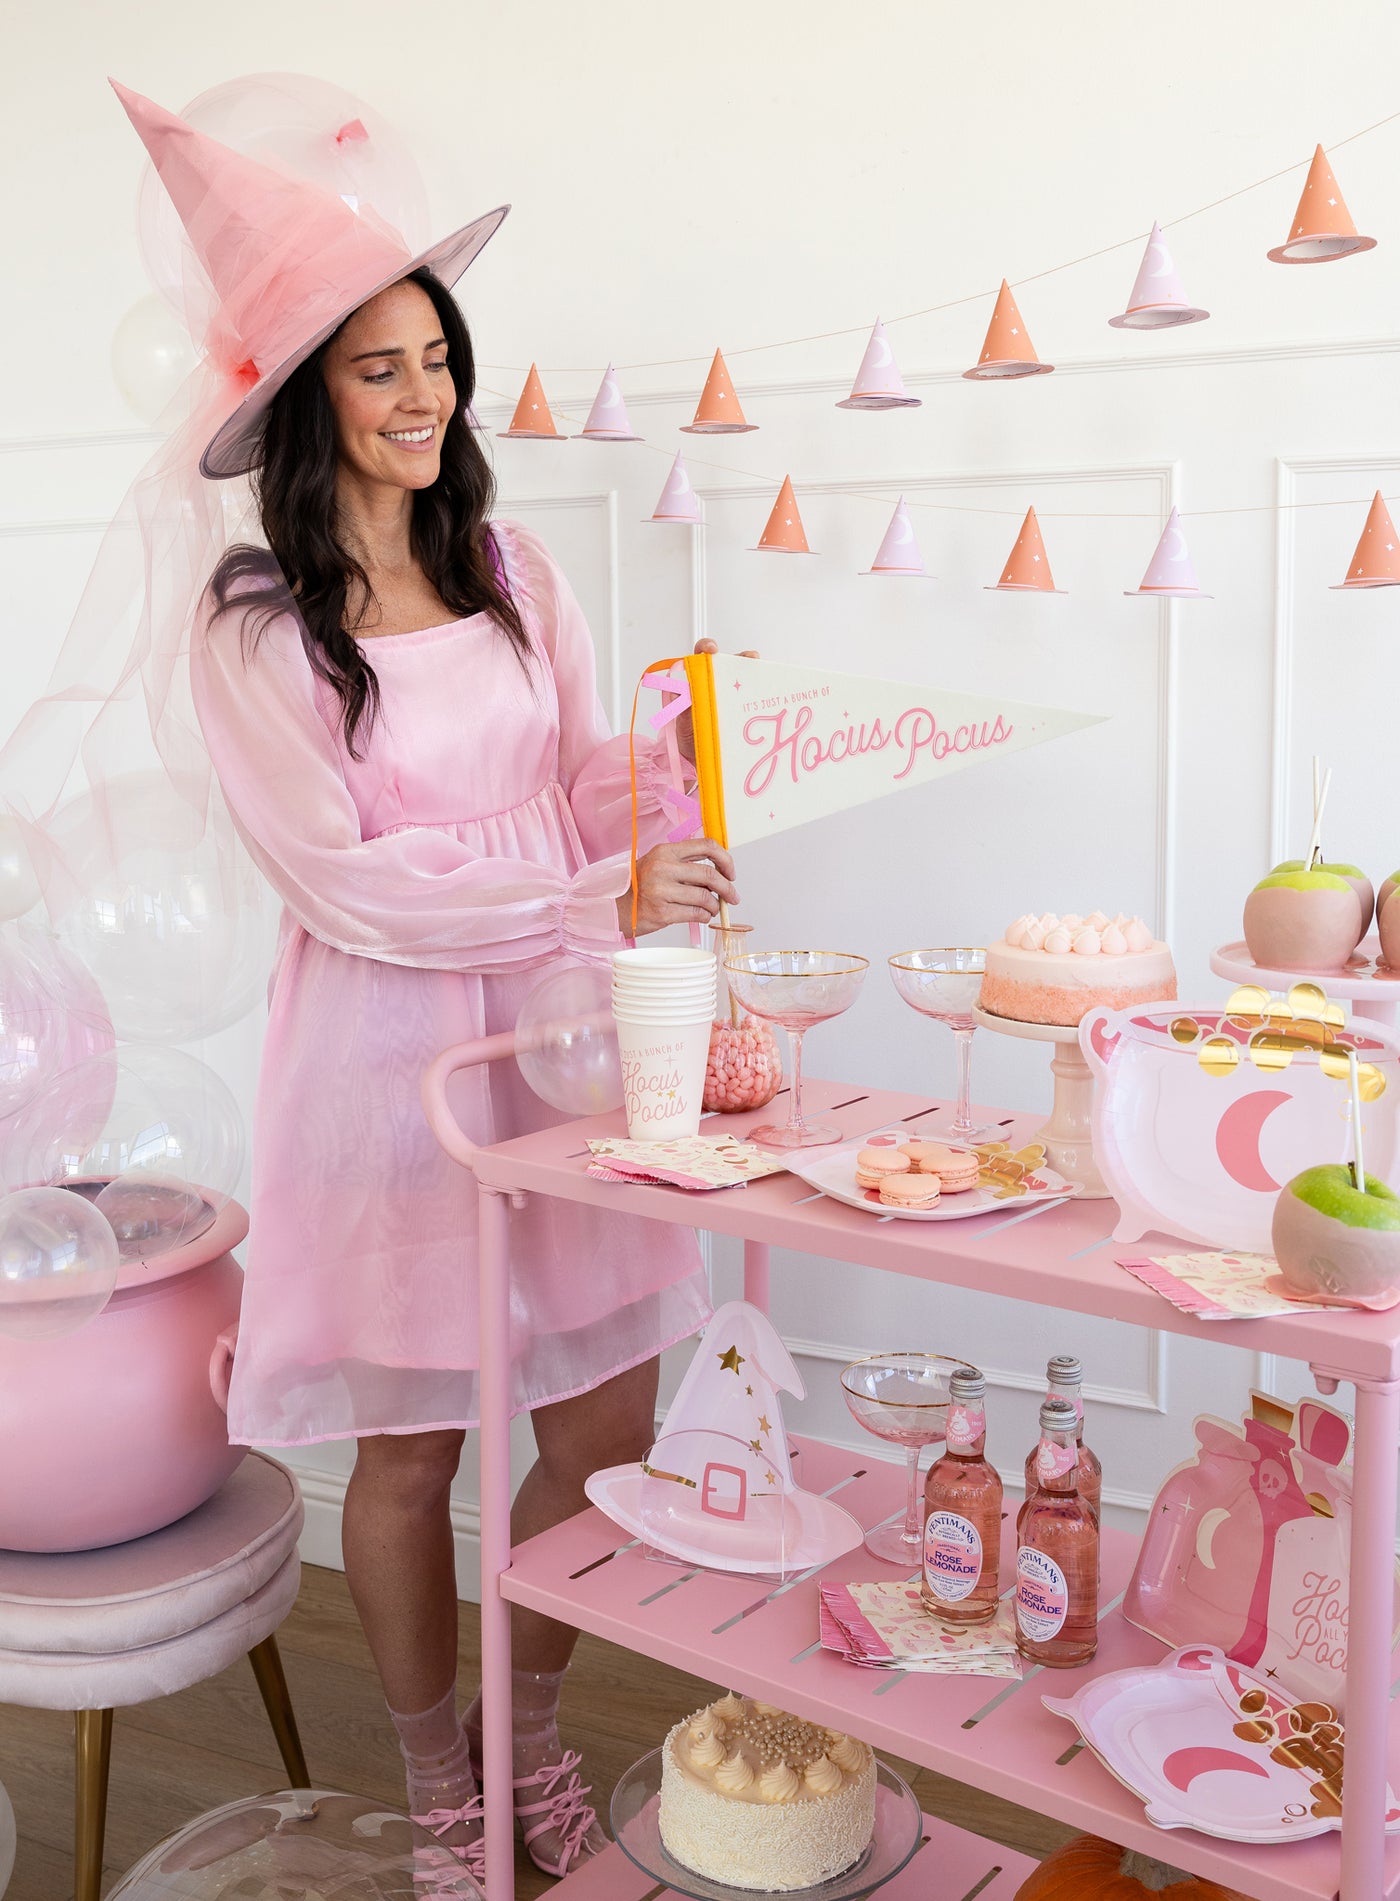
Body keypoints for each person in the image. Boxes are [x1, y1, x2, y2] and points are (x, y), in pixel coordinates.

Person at [104, 84, 739, 1886]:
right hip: (385, 1079)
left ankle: (528, 1739)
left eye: (434, 359)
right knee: (406, 1455)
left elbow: (588, 776)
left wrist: (675, 791)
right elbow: (354, 882)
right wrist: (589, 874)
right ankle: (437, 1774)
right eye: (376, 370)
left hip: (558, 1049)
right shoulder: (259, 628)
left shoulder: (515, 567)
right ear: (309, 400)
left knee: (605, 1422)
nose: (422, 397)